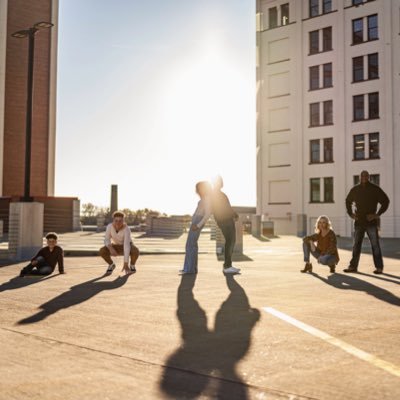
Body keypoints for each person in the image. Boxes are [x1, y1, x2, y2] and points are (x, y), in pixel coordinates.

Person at [344, 170, 389, 274]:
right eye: (362, 175)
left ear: (369, 177)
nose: (364, 177)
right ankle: (353, 267)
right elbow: (348, 201)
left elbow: (386, 201)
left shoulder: (375, 189)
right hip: (359, 221)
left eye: (366, 175)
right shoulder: (355, 189)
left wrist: (377, 214)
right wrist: (351, 214)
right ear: (359, 177)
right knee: (356, 245)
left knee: (375, 245)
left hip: (371, 222)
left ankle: (379, 267)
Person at [180, 181, 212, 275]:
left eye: (197, 188)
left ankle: (190, 269)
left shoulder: (207, 199)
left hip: (197, 223)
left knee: (191, 246)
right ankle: (189, 268)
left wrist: (198, 225)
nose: (196, 191)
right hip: (195, 222)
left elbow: (207, 214)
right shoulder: (204, 198)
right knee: (190, 245)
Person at [211, 176, 240, 274]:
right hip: (225, 220)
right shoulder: (218, 194)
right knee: (230, 241)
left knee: (230, 241)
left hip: (224, 220)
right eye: (220, 181)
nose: (221, 183)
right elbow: (226, 207)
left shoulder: (217, 194)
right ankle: (227, 266)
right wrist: (234, 214)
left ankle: (228, 265)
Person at [99, 211, 139, 275]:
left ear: (123, 221)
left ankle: (132, 265)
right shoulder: (109, 226)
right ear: (113, 220)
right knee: (102, 250)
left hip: (128, 245)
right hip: (116, 245)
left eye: (120, 221)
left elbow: (126, 246)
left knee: (135, 250)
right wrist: (111, 248)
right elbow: (106, 239)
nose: (118, 223)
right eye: (116, 220)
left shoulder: (127, 229)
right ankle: (111, 265)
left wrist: (125, 263)